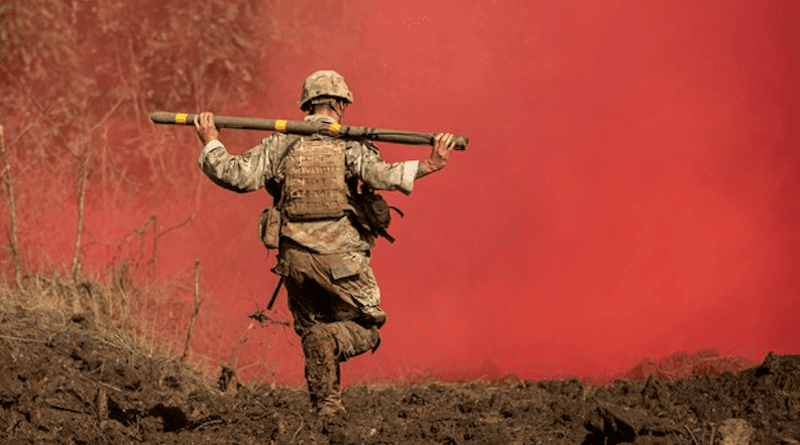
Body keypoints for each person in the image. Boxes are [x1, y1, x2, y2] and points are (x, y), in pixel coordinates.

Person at [194, 70, 455, 416]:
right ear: (338, 104)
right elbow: (383, 176)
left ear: (308, 104)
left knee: (314, 331)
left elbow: (236, 175)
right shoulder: (350, 144)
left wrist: (211, 139)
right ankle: (329, 369)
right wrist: (432, 163)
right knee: (365, 326)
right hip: (342, 260)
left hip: (294, 262)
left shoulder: (279, 144)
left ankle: (327, 410)